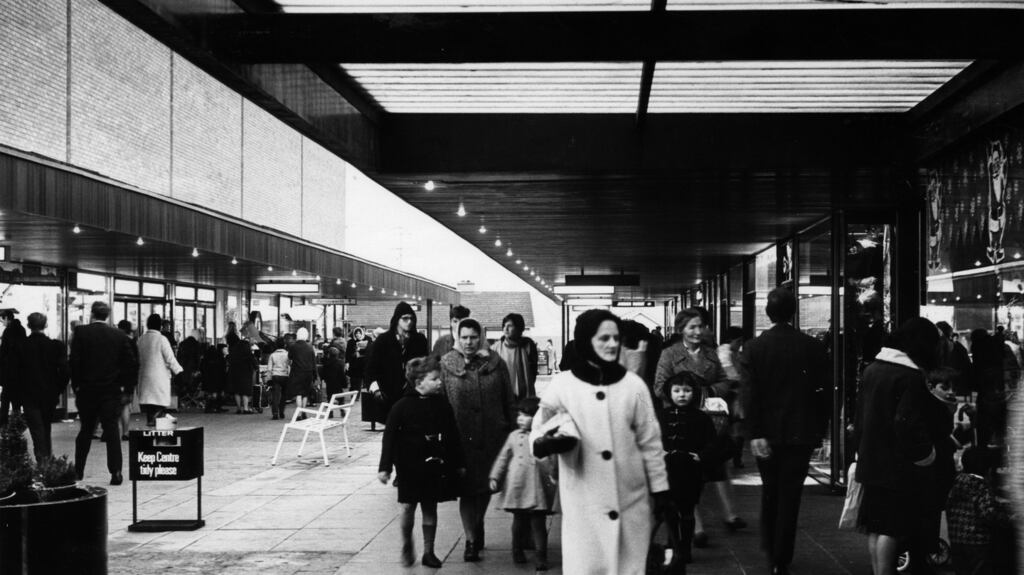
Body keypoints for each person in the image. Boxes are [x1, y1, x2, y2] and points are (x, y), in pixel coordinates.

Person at [531, 309, 670, 575]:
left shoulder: (634, 386)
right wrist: (546, 443)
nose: (612, 344)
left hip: (631, 499)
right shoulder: (563, 385)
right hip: (584, 501)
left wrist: (660, 488)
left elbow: (650, 441)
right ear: (586, 341)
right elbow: (539, 427)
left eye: (616, 338)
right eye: (604, 338)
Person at [740, 287, 830, 575]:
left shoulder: (753, 348)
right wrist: (820, 429)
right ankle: (782, 557)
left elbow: (749, 394)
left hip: (767, 432)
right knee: (791, 494)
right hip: (801, 432)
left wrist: (754, 433)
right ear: (794, 311)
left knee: (770, 489)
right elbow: (823, 393)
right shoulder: (812, 346)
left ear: (768, 312)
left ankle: (770, 547)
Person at [853, 317, 940, 575]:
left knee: (876, 527)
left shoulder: (873, 369)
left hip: (871, 462)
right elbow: (907, 424)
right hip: (896, 467)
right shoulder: (910, 376)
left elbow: (859, 419)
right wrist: (927, 455)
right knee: (891, 528)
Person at [655, 308, 742, 546]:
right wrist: (682, 395)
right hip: (681, 422)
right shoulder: (669, 354)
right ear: (681, 329)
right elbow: (660, 386)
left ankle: (729, 515)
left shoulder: (711, 354)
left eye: (700, 326)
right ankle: (697, 527)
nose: (697, 331)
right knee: (687, 474)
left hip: (709, 421)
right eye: (691, 327)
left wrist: (710, 391)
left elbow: (724, 381)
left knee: (716, 465)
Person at [378, 355, 465, 569]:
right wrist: (385, 467)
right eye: (434, 379)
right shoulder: (401, 406)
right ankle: (407, 542)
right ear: (419, 383)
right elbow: (389, 438)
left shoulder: (442, 405)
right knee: (408, 507)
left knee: (430, 506)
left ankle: (429, 551)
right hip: (408, 465)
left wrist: (458, 462)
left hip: (433, 464)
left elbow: (453, 435)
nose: (440, 382)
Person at [439, 318, 514, 561]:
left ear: (480, 337)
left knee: (484, 488)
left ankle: (478, 523)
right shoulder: (447, 364)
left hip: (492, 437)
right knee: (467, 491)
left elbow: (508, 399)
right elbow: (440, 402)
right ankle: (471, 540)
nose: (469, 342)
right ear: (457, 338)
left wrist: (513, 429)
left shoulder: (496, 363)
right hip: (461, 439)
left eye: (473, 337)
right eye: (464, 337)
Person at [70, 301, 137, 485]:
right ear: (107, 315)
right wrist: (127, 389)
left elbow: (74, 362)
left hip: (87, 391)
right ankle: (116, 472)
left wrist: (76, 386)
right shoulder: (118, 335)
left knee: (86, 430)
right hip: (111, 391)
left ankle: (78, 470)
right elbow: (130, 364)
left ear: (92, 314)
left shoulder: (81, 333)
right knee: (112, 430)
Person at [488, 397, 558, 571]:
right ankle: (517, 549)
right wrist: (495, 477)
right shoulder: (514, 436)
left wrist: (554, 474)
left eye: (526, 415)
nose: (520, 419)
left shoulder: (543, 436)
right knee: (518, 521)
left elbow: (552, 458)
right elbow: (503, 457)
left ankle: (541, 555)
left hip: (537, 485)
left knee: (538, 522)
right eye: (519, 415)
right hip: (518, 484)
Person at [658, 371, 719, 566]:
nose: (682, 395)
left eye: (686, 390)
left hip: (690, 471)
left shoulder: (701, 417)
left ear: (694, 393)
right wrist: (659, 453)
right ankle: (673, 543)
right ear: (669, 393)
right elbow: (651, 438)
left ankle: (685, 548)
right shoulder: (662, 416)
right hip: (666, 469)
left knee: (687, 510)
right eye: (677, 391)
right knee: (669, 509)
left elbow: (712, 442)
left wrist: (701, 456)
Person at [919, 367, 960, 567]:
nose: (950, 392)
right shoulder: (937, 409)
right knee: (933, 510)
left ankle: (929, 550)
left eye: (953, 388)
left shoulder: (945, 407)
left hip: (938, 465)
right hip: (935, 467)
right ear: (932, 387)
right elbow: (942, 438)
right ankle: (927, 552)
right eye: (945, 387)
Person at [365, 302, 429, 429]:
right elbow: (370, 368)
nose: (409, 322)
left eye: (411, 318)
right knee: (392, 434)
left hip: (413, 396)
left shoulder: (419, 340)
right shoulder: (383, 341)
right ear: (397, 319)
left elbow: (425, 367)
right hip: (388, 396)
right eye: (405, 318)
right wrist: (376, 390)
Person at [947, 447, 1008, 575]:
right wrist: (1005, 518)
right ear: (986, 468)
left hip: (956, 539)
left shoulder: (957, 483)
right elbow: (988, 513)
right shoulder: (981, 485)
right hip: (977, 541)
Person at [21, 312, 69, 461]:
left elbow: (15, 372)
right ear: (46, 325)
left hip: (29, 393)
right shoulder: (56, 346)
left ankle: (43, 459)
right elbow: (65, 371)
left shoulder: (22, 346)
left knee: (37, 428)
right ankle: (46, 457)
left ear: (28, 325)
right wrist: (58, 389)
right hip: (49, 394)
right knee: (45, 426)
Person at [137, 314, 183, 427]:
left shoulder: (141, 339)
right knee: (159, 406)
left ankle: (150, 424)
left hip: (144, 378)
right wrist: (179, 371)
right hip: (159, 379)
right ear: (160, 326)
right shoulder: (162, 339)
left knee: (150, 407)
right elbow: (170, 358)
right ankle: (158, 428)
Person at [491, 312, 538, 400]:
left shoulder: (528, 346)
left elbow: (533, 371)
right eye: (504, 326)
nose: (506, 329)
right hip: (503, 395)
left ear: (519, 328)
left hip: (525, 395)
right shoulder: (495, 348)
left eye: (510, 326)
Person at [0, 314, 25, 427]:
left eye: (2, 320)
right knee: (16, 400)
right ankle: (17, 422)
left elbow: (3, 352)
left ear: (7, 318)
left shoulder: (7, 331)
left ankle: (3, 422)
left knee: (5, 398)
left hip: (8, 371)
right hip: (19, 372)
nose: (2, 323)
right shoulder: (21, 330)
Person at [287, 327, 317, 418]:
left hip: (297, 372)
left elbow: (289, 358)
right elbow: (313, 362)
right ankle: (304, 412)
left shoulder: (293, 346)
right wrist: (315, 375)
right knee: (305, 393)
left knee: (298, 393)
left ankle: (299, 413)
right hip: (308, 373)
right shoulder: (310, 347)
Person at [116, 320, 138, 438]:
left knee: (114, 406)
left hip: (115, 379)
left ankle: (111, 432)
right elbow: (136, 363)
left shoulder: (115, 341)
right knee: (125, 406)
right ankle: (125, 432)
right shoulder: (132, 343)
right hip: (128, 380)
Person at [226, 332, 257, 414]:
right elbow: (254, 362)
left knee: (237, 391)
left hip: (234, 373)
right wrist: (255, 367)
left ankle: (238, 408)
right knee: (245, 391)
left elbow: (229, 360)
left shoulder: (233, 352)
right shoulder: (248, 353)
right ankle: (246, 409)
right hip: (246, 373)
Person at [265, 339, 290, 420]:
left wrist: (268, 378)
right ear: (284, 345)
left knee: (275, 395)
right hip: (285, 375)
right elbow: (289, 366)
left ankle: (275, 413)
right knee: (283, 395)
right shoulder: (287, 354)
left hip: (275, 376)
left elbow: (269, 368)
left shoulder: (272, 355)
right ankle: (281, 412)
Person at [201, 343, 228, 413]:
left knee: (212, 393)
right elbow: (222, 369)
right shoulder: (220, 358)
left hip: (209, 378)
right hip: (217, 379)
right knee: (216, 393)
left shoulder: (208, 359)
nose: (227, 350)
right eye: (225, 349)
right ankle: (215, 407)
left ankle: (210, 407)